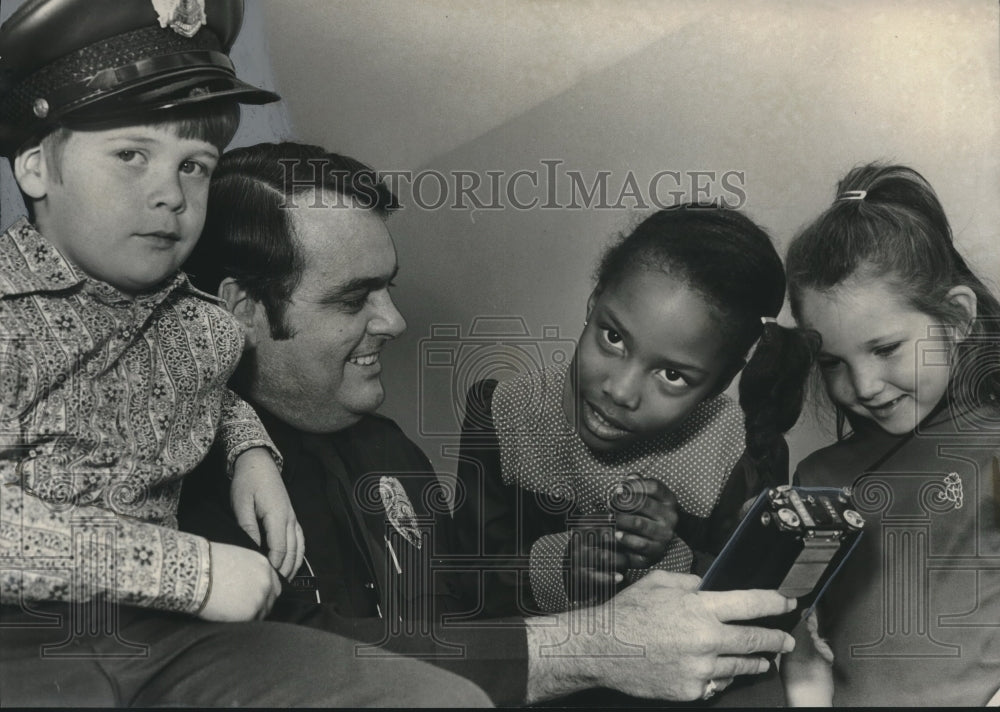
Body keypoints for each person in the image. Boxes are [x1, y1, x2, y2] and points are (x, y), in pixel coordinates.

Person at [177, 140, 801, 705]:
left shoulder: (391, 453)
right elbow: (301, 669)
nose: (394, 321)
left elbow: (478, 620)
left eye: (388, 289)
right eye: (351, 299)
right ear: (245, 310)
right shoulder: (180, 476)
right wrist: (595, 645)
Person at [0, 1, 490, 706]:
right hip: (22, 642)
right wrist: (190, 571)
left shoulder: (195, 323)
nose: (170, 193)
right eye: (131, 155)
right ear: (36, 169)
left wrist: (249, 452)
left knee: (443, 700)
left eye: (194, 165)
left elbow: (205, 379)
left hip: (164, 641)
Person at [453, 206, 816, 618]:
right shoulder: (507, 413)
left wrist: (665, 557)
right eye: (613, 337)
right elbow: (464, 579)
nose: (621, 391)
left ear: (720, 382)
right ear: (594, 301)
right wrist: (560, 565)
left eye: (673, 375)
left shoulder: (736, 453)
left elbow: (758, 605)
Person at [781, 163, 1000, 706]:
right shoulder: (819, 479)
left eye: (884, 349)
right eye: (832, 362)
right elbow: (801, 649)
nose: (864, 385)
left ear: (955, 318)